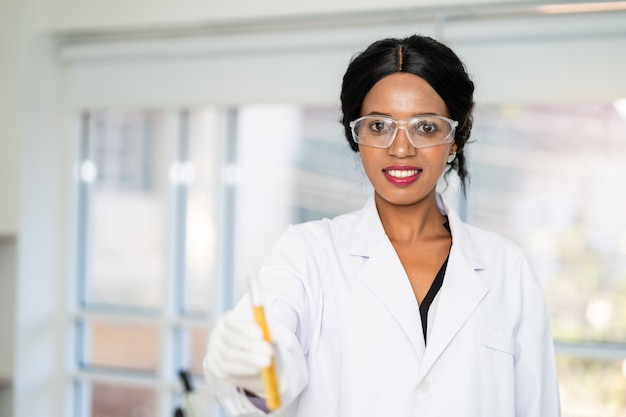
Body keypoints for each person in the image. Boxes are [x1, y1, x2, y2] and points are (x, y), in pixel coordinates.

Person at [203, 34, 561, 416]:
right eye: (378, 126)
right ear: (356, 137)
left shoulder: (507, 268)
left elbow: (537, 406)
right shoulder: (307, 253)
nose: (401, 147)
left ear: (455, 138)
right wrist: (256, 367)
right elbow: (267, 362)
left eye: (425, 127)